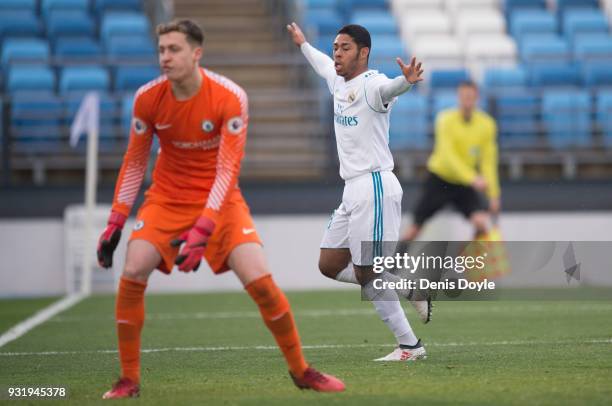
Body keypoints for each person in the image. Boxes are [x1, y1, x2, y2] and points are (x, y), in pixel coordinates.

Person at [97, 19, 345, 399]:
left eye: (174, 49)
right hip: (166, 198)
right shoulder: (147, 98)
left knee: (260, 279)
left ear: (196, 53)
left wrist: (203, 229)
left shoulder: (229, 96)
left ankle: (301, 370)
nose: (166, 57)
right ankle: (128, 379)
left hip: (221, 199)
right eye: (162, 50)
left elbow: (227, 170)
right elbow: (133, 163)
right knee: (132, 268)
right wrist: (115, 221)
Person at [287, 22, 431, 362]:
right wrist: (303, 43)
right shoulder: (337, 80)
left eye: (345, 48)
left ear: (363, 52)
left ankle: (410, 347)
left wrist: (405, 82)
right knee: (329, 263)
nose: (337, 53)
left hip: (375, 186)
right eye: (336, 46)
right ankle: (409, 286)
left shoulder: (372, 84)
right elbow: (321, 63)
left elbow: (389, 90)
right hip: (352, 190)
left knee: (368, 274)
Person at [402, 80, 500, 242]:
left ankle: (468, 264)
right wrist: (472, 178)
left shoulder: (487, 124)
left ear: (477, 98)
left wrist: (494, 194)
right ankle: (392, 266)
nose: (467, 100)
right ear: (458, 98)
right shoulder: (445, 120)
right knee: (414, 229)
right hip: (439, 179)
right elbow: (448, 157)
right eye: (464, 97)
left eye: (471, 97)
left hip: (463, 185)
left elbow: (488, 161)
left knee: (481, 223)